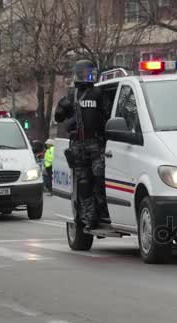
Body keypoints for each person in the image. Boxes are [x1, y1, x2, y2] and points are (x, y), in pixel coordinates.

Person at [54, 60, 111, 230]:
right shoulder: (72, 96)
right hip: (78, 144)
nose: (87, 75)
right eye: (85, 72)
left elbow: (106, 116)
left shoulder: (98, 93)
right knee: (84, 182)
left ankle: (102, 210)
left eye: (90, 72)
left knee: (100, 175)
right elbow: (58, 119)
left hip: (95, 143)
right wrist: (61, 108)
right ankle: (89, 215)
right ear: (78, 73)